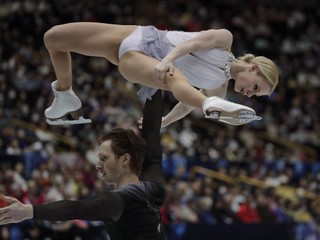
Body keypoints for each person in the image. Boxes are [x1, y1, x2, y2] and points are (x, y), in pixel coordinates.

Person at [0, 90, 166, 240]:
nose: (98, 166)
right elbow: (151, 131)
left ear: (125, 160)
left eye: (104, 158)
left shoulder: (119, 201)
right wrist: (154, 83)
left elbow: (74, 209)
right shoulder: (154, 187)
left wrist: (28, 211)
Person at [43, 22, 278, 126]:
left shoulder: (220, 88)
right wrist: (168, 59)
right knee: (53, 39)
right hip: (143, 36)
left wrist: (165, 121)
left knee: (174, 79)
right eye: (255, 88)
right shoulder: (225, 39)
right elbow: (192, 45)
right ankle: (65, 95)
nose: (249, 93)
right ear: (253, 68)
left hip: (151, 66)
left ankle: (208, 104)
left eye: (254, 95)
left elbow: (185, 105)